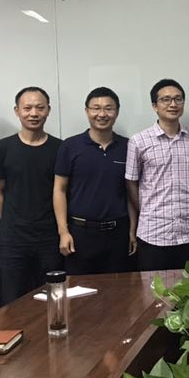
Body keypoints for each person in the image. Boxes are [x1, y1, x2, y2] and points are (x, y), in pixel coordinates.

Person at [0, 87, 63, 305]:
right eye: (27, 108)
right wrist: (9, 222)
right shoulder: (2, 148)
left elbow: (62, 191)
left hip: (49, 238)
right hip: (13, 239)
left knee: (52, 298)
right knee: (11, 300)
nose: (34, 113)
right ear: (17, 111)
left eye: (40, 108)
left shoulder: (60, 148)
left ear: (48, 110)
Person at [53, 87, 136, 275]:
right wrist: (63, 232)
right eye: (96, 108)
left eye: (108, 108)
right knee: (80, 289)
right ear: (87, 111)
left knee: (119, 289)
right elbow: (59, 189)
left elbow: (130, 192)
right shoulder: (70, 146)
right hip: (80, 234)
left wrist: (132, 231)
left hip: (118, 233)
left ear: (117, 112)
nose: (102, 114)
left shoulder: (128, 146)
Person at [126, 79, 189, 270]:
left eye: (178, 99)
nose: (173, 104)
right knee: (154, 288)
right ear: (155, 105)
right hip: (153, 233)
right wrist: (147, 209)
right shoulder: (138, 141)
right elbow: (131, 183)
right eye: (166, 99)